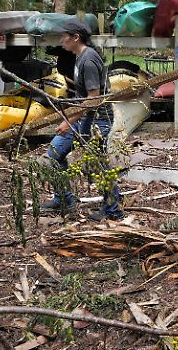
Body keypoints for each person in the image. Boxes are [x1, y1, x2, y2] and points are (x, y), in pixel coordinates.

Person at [39, 18, 123, 222]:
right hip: (84, 117)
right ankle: (64, 199)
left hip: (97, 120)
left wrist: (69, 121)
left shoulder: (88, 60)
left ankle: (113, 209)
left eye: (64, 36)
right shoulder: (80, 57)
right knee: (54, 154)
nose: (61, 40)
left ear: (76, 38)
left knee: (98, 163)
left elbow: (93, 100)